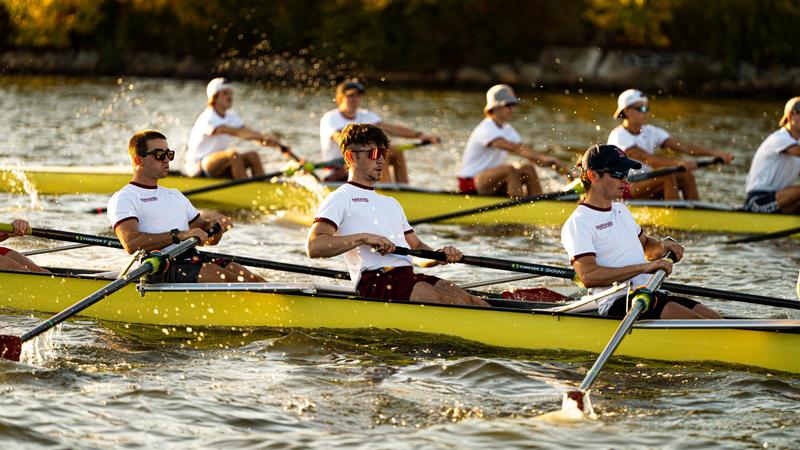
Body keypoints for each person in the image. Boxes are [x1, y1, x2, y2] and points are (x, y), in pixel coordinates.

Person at [306, 123, 488, 307]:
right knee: (447, 302)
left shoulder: (391, 203)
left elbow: (416, 248)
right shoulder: (340, 198)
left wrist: (440, 255)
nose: (381, 161)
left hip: (408, 276)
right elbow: (314, 246)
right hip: (376, 280)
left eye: (383, 154)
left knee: (474, 301)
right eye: (374, 154)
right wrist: (363, 238)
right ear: (351, 156)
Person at [560, 144, 721, 319]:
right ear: (593, 175)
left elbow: (645, 246)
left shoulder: (621, 210)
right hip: (619, 302)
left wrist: (663, 247)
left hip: (648, 293)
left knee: (714, 319)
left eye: (626, 174)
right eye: (618, 174)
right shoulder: (578, 223)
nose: (625, 181)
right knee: (700, 324)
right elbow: (589, 276)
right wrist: (646, 267)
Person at [109, 130, 264, 283]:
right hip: (158, 266)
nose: (166, 160)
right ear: (138, 160)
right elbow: (131, 243)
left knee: (254, 280)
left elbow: (207, 239)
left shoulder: (175, 195)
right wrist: (179, 235)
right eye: (159, 155)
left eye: (169, 154)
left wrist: (217, 226)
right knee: (221, 277)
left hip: (191, 258)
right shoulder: (125, 197)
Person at [607, 89, 733, 200]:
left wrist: (715, 153)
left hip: (644, 182)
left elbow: (683, 147)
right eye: (641, 108)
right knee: (667, 176)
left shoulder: (651, 131)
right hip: (623, 187)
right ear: (628, 111)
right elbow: (648, 159)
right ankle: (676, 216)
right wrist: (679, 163)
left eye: (647, 108)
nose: (646, 112)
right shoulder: (619, 136)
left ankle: (696, 210)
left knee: (685, 175)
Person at [458, 84, 572, 197]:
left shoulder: (508, 129)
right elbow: (515, 148)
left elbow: (530, 155)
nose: (511, 109)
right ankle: (518, 206)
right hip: (469, 184)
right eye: (507, 105)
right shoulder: (485, 128)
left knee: (528, 168)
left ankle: (539, 203)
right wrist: (543, 157)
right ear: (495, 107)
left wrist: (565, 172)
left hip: (490, 181)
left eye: (513, 105)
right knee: (509, 169)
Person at [319, 79, 440, 183]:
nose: (355, 99)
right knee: (383, 152)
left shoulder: (366, 116)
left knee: (396, 151)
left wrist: (421, 135)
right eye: (351, 95)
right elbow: (341, 138)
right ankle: (385, 193)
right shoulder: (331, 118)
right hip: (338, 170)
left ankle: (402, 189)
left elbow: (392, 129)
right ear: (340, 98)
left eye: (358, 95)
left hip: (361, 165)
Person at [185, 77, 285, 179]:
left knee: (253, 156)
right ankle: (246, 189)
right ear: (214, 97)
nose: (230, 97)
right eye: (225, 93)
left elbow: (249, 134)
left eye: (230, 93)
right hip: (200, 166)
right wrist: (263, 137)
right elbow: (236, 132)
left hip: (219, 163)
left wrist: (276, 144)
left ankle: (263, 186)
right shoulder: (208, 117)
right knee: (234, 155)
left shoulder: (232, 116)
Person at [743, 97, 800, 213]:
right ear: (790, 116)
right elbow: (797, 152)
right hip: (758, 201)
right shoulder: (779, 138)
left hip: (781, 201)